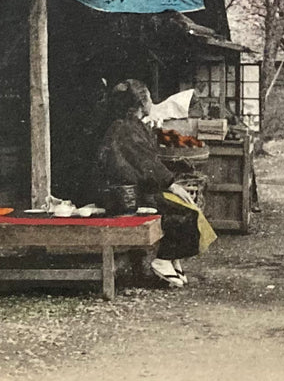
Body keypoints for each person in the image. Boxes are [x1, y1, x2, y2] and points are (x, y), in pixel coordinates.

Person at [92, 81, 216, 288]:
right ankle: (163, 259)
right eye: (149, 98)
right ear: (142, 103)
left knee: (186, 206)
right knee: (184, 211)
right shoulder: (125, 129)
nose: (152, 101)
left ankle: (173, 257)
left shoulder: (132, 125)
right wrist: (171, 184)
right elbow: (145, 163)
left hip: (133, 189)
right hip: (123, 195)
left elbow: (147, 161)